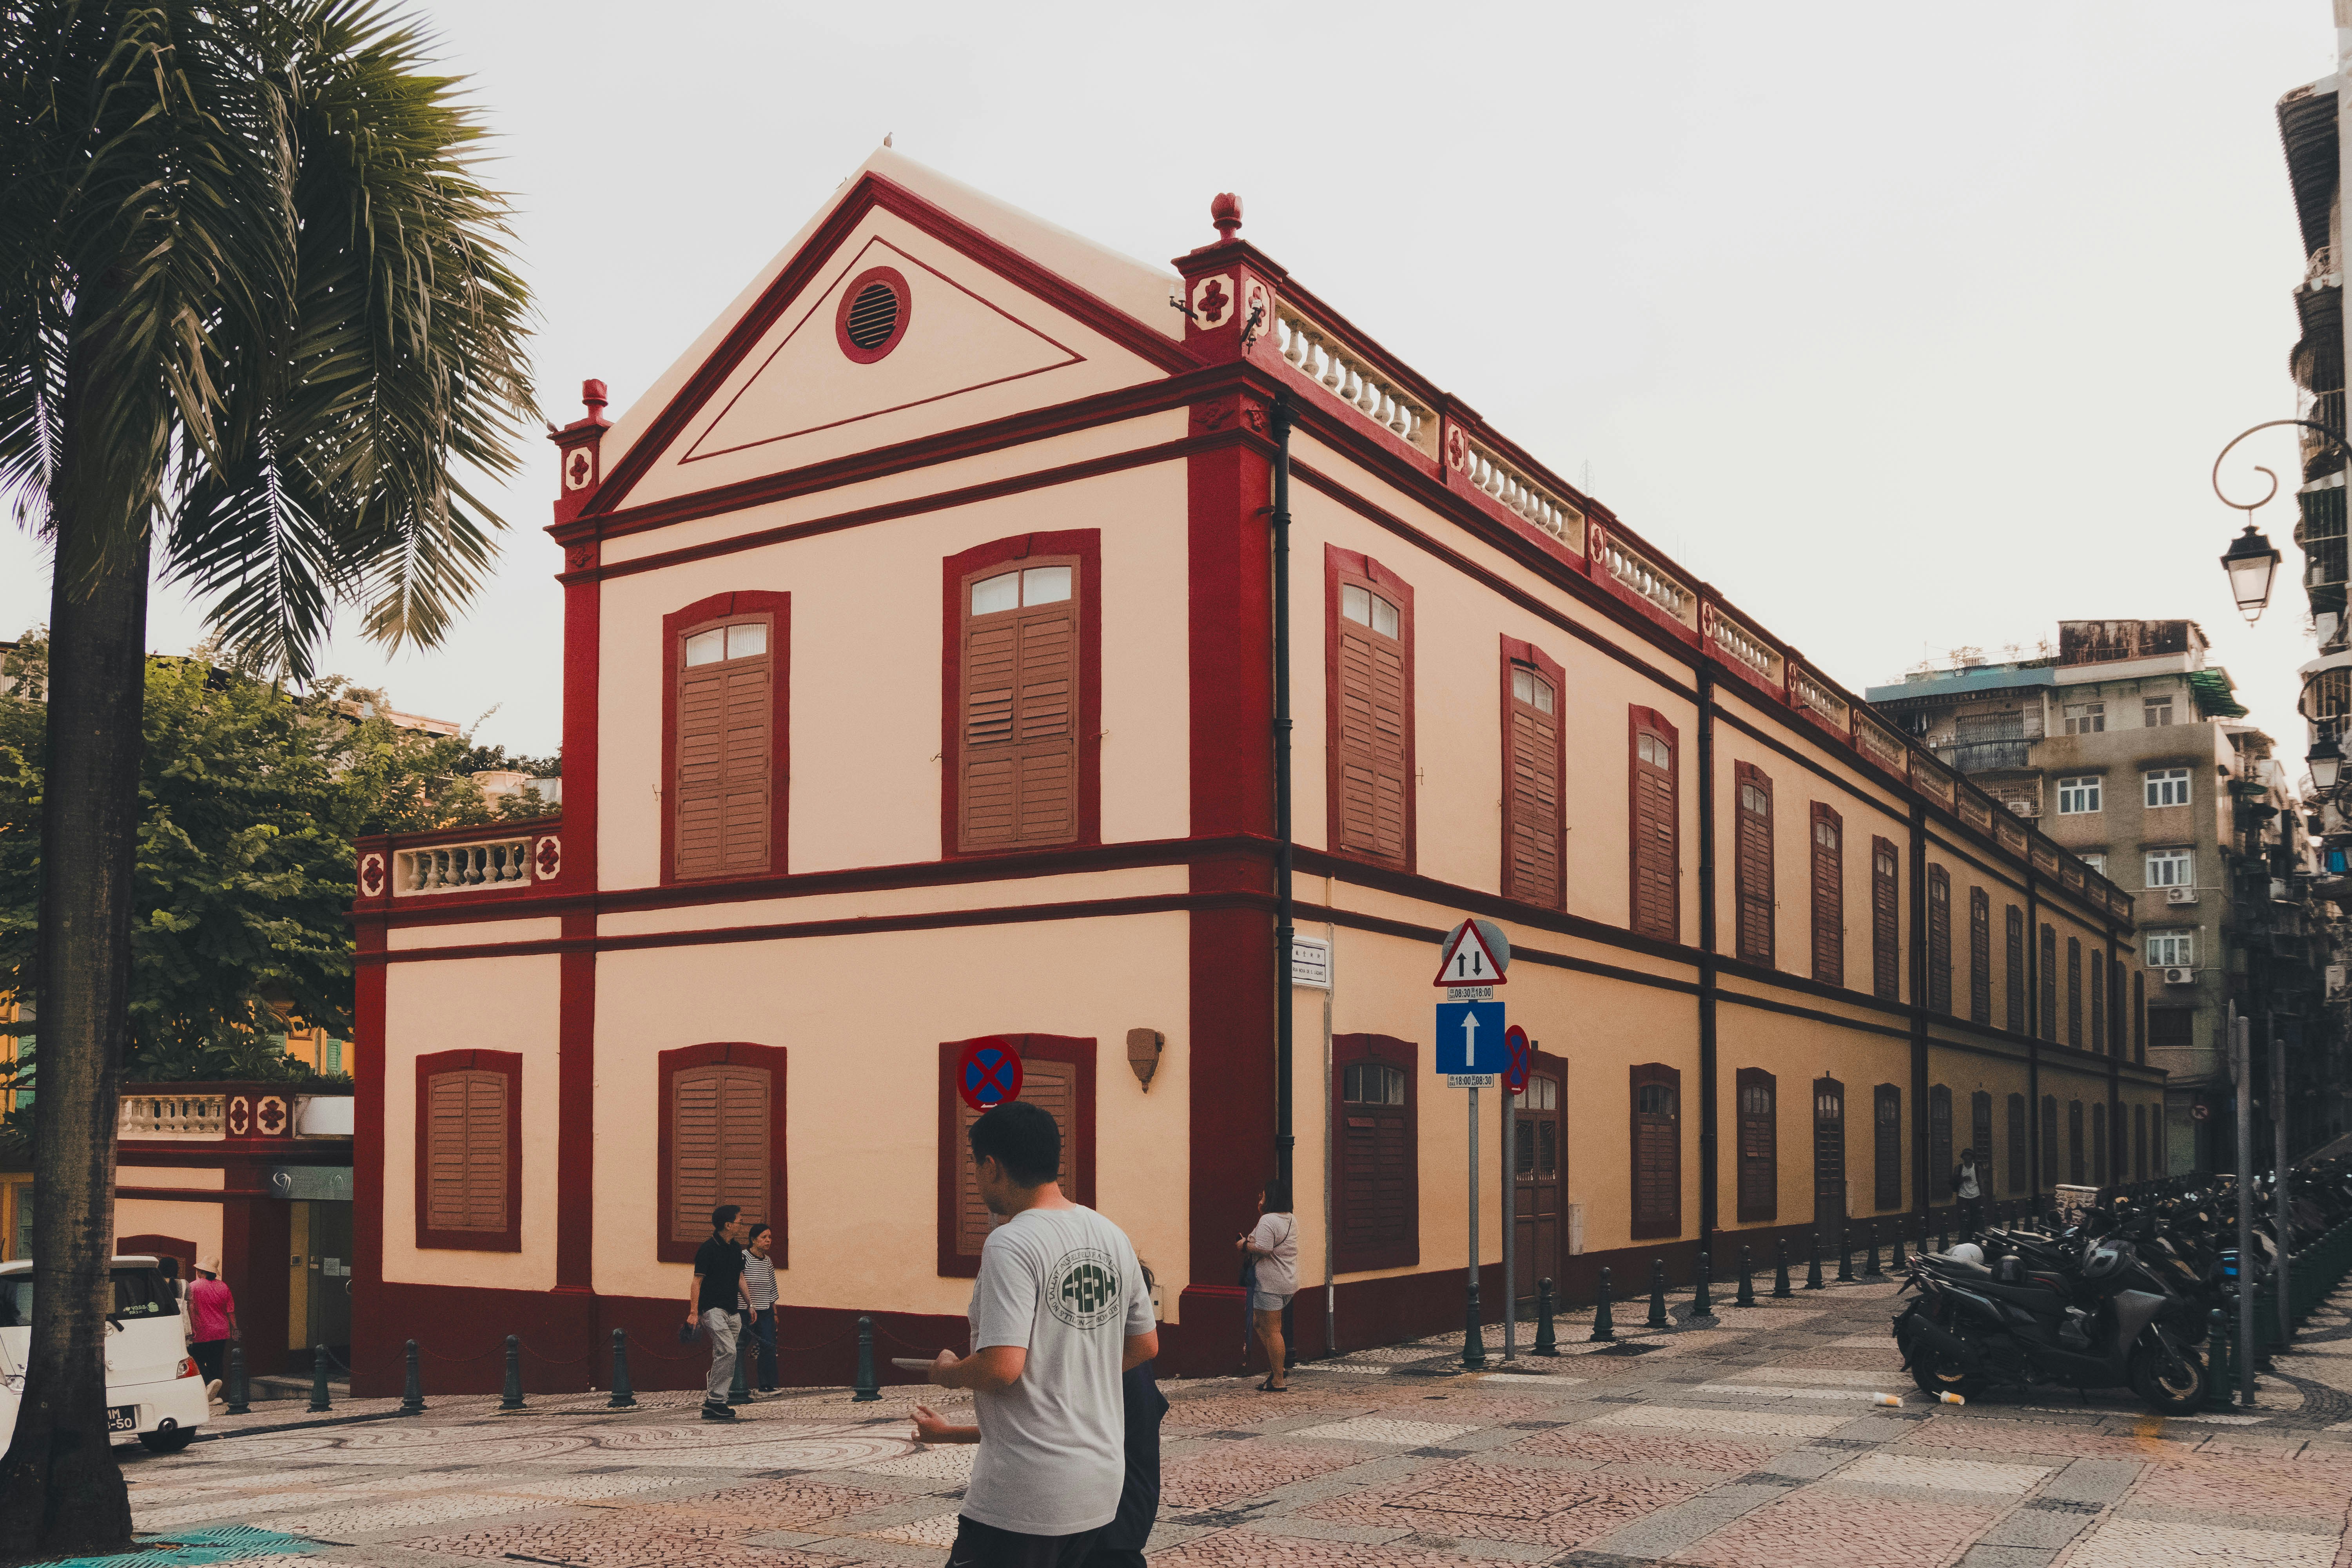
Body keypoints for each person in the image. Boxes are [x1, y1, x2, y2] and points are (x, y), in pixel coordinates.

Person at [923, 1100, 1157, 1568]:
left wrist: (947, 1372)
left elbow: (1002, 1366)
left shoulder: (1011, 1241)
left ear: (992, 1166)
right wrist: (1070, 1369)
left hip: (1027, 1492)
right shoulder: (1111, 1233)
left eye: (975, 1166)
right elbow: (1145, 1344)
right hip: (1100, 1481)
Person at [912, 1262, 1169, 1568]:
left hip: (1101, 1524)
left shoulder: (1108, 1364)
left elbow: (1042, 1421)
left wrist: (948, 1379)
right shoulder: (1128, 1360)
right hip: (1124, 1519)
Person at [683, 1204, 752, 1421]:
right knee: (729, 1352)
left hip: (733, 1311)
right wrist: (694, 1312)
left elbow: (740, 1278)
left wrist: (750, 1305)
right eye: (740, 1221)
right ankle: (716, 1401)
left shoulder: (736, 1248)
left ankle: (713, 1404)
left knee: (724, 1355)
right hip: (711, 1309)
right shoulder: (707, 1249)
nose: (742, 1224)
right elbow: (697, 1282)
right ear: (728, 1224)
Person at [1236, 1181, 1296, 1392]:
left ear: (1270, 1199)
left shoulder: (1268, 1220)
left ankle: (1278, 1380)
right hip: (1286, 1281)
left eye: (1262, 1197)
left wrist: (1243, 1245)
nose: (1259, 1201)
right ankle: (1277, 1367)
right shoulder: (1290, 1219)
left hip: (1268, 1284)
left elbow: (1263, 1248)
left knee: (1271, 1331)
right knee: (1260, 1325)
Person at [188, 1257, 238, 1399]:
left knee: (196, 1360)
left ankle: (209, 1384)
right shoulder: (224, 1287)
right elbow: (231, 1311)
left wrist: (191, 1327)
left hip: (202, 1330)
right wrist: (235, 1329)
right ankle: (216, 1395)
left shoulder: (194, 1287)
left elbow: (191, 1308)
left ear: (201, 1271)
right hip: (222, 1331)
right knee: (216, 1361)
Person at [743, 1221, 779, 1393]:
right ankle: (738, 1385)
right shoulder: (744, 1257)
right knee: (739, 1346)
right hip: (744, 1310)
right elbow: (739, 1283)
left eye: (770, 1237)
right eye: (764, 1237)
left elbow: (772, 1288)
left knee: (769, 1346)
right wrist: (747, 1307)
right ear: (753, 1240)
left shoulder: (768, 1261)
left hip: (765, 1311)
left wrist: (775, 1312)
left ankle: (766, 1385)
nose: (768, 1241)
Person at [1953, 1148, 1985, 1239]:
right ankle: (1964, 1232)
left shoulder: (1976, 1168)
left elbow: (1980, 1180)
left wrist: (1982, 1192)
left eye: (1969, 1156)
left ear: (1972, 1158)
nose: (1967, 1158)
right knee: (1962, 1215)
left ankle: (1972, 1233)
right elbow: (1953, 1180)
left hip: (1975, 1194)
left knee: (1974, 1215)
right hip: (1963, 1195)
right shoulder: (1959, 1168)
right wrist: (1962, 1179)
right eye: (1965, 1156)